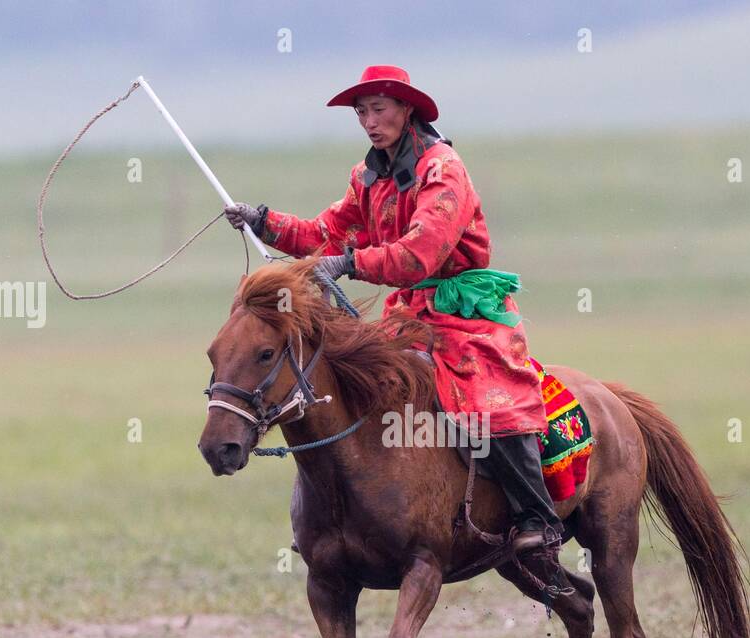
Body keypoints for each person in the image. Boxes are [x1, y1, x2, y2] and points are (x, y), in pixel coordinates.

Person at [224, 65, 573, 598]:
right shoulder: (367, 176)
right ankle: (337, 522)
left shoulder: (444, 170)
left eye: (378, 108)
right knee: (344, 383)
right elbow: (323, 233)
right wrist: (263, 220)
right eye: (361, 112)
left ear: (407, 109)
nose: (368, 120)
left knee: (488, 401)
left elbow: (419, 254)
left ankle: (535, 519)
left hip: (465, 311)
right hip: (408, 315)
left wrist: (347, 264)